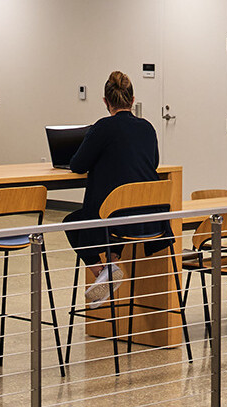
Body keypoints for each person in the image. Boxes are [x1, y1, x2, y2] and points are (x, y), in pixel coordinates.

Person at [64, 71, 168, 314]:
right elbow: (153, 163)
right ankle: (111, 263)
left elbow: (77, 165)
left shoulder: (103, 128)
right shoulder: (147, 128)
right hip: (150, 220)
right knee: (111, 220)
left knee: (72, 221)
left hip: (116, 221)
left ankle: (101, 271)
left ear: (105, 102)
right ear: (132, 101)